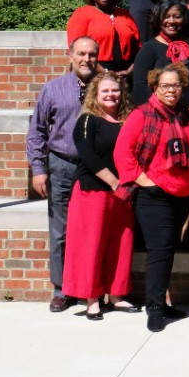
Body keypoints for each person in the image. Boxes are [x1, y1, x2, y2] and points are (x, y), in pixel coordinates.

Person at [114, 63, 189, 332]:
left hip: (181, 194)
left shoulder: (184, 115)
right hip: (155, 195)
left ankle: (161, 302)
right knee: (160, 251)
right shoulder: (143, 114)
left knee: (167, 250)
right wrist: (145, 182)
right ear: (155, 87)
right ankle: (154, 307)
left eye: (176, 85)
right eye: (166, 86)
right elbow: (122, 153)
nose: (172, 90)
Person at [27, 37, 100, 312]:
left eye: (92, 54)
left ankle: (89, 287)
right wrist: (38, 169)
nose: (86, 59)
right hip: (62, 165)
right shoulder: (53, 89)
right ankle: (61, 289)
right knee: (61, 231)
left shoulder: (105, 87)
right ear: (69, 55)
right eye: (81, 54)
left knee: (93, 230)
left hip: (96, 169)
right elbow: (37, 132)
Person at [62, 72, 137, 320]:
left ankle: (116, 295)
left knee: (121, 243)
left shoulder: (128, 119)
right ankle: (92, 299)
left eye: (115, 90)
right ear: (95, 94)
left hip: (123, 192)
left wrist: (126, 185)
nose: (111, 95)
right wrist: (115, 183)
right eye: (105, 91)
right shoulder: (87, 120)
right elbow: (88, 156)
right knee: (90, 246)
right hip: (92, 191)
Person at [131, 0, 189, 108]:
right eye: (166, 16)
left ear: (184, 19)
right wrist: (163, 110)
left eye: (177, 16)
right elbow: (140, 86)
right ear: (158, 19)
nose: (172, 21)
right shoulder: (149, 48)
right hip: (160, 114)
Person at [67, 0, 140, 77]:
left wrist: (129, 71)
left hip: (124, 77)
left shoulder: (125, 15)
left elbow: (139, 48)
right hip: (91, 74)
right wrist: (104, 72)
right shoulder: (82, 14)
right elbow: (75, 50)